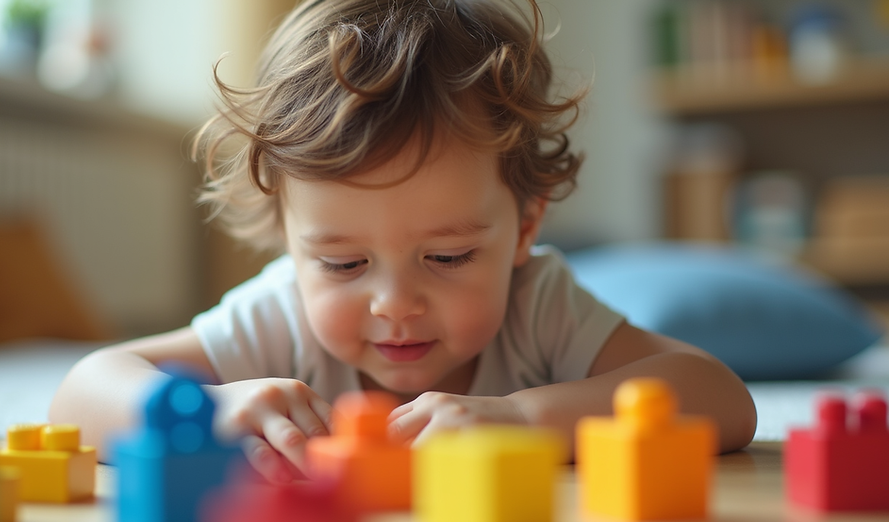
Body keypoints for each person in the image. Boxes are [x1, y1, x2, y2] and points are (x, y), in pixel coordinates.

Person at [49, 0, 756, 483]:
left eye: (447, 257)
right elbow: (81, 395)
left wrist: (525, 417)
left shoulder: (539, 305)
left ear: (526, 227)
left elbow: (721, 396)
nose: (395, 303)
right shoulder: (280, 316)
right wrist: (214, 409)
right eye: (343, 262)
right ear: (290, 242)